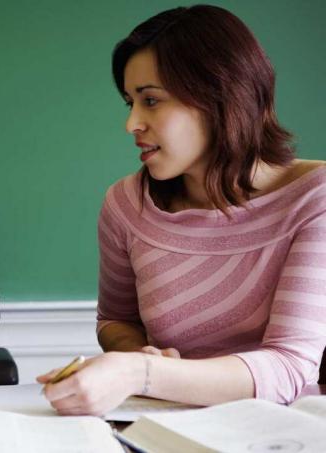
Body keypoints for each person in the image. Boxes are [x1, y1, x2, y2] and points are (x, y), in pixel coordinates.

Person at [38, 4, 326, 416]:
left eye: (151, 101)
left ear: (220, 97)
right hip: (160, 427)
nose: (132, 124)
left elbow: (289, 366)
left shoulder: (315, 198)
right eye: (130, 103)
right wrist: (139, 352)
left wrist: (142, 372)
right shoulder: (124, 205)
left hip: (280, 433)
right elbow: (115, 320)